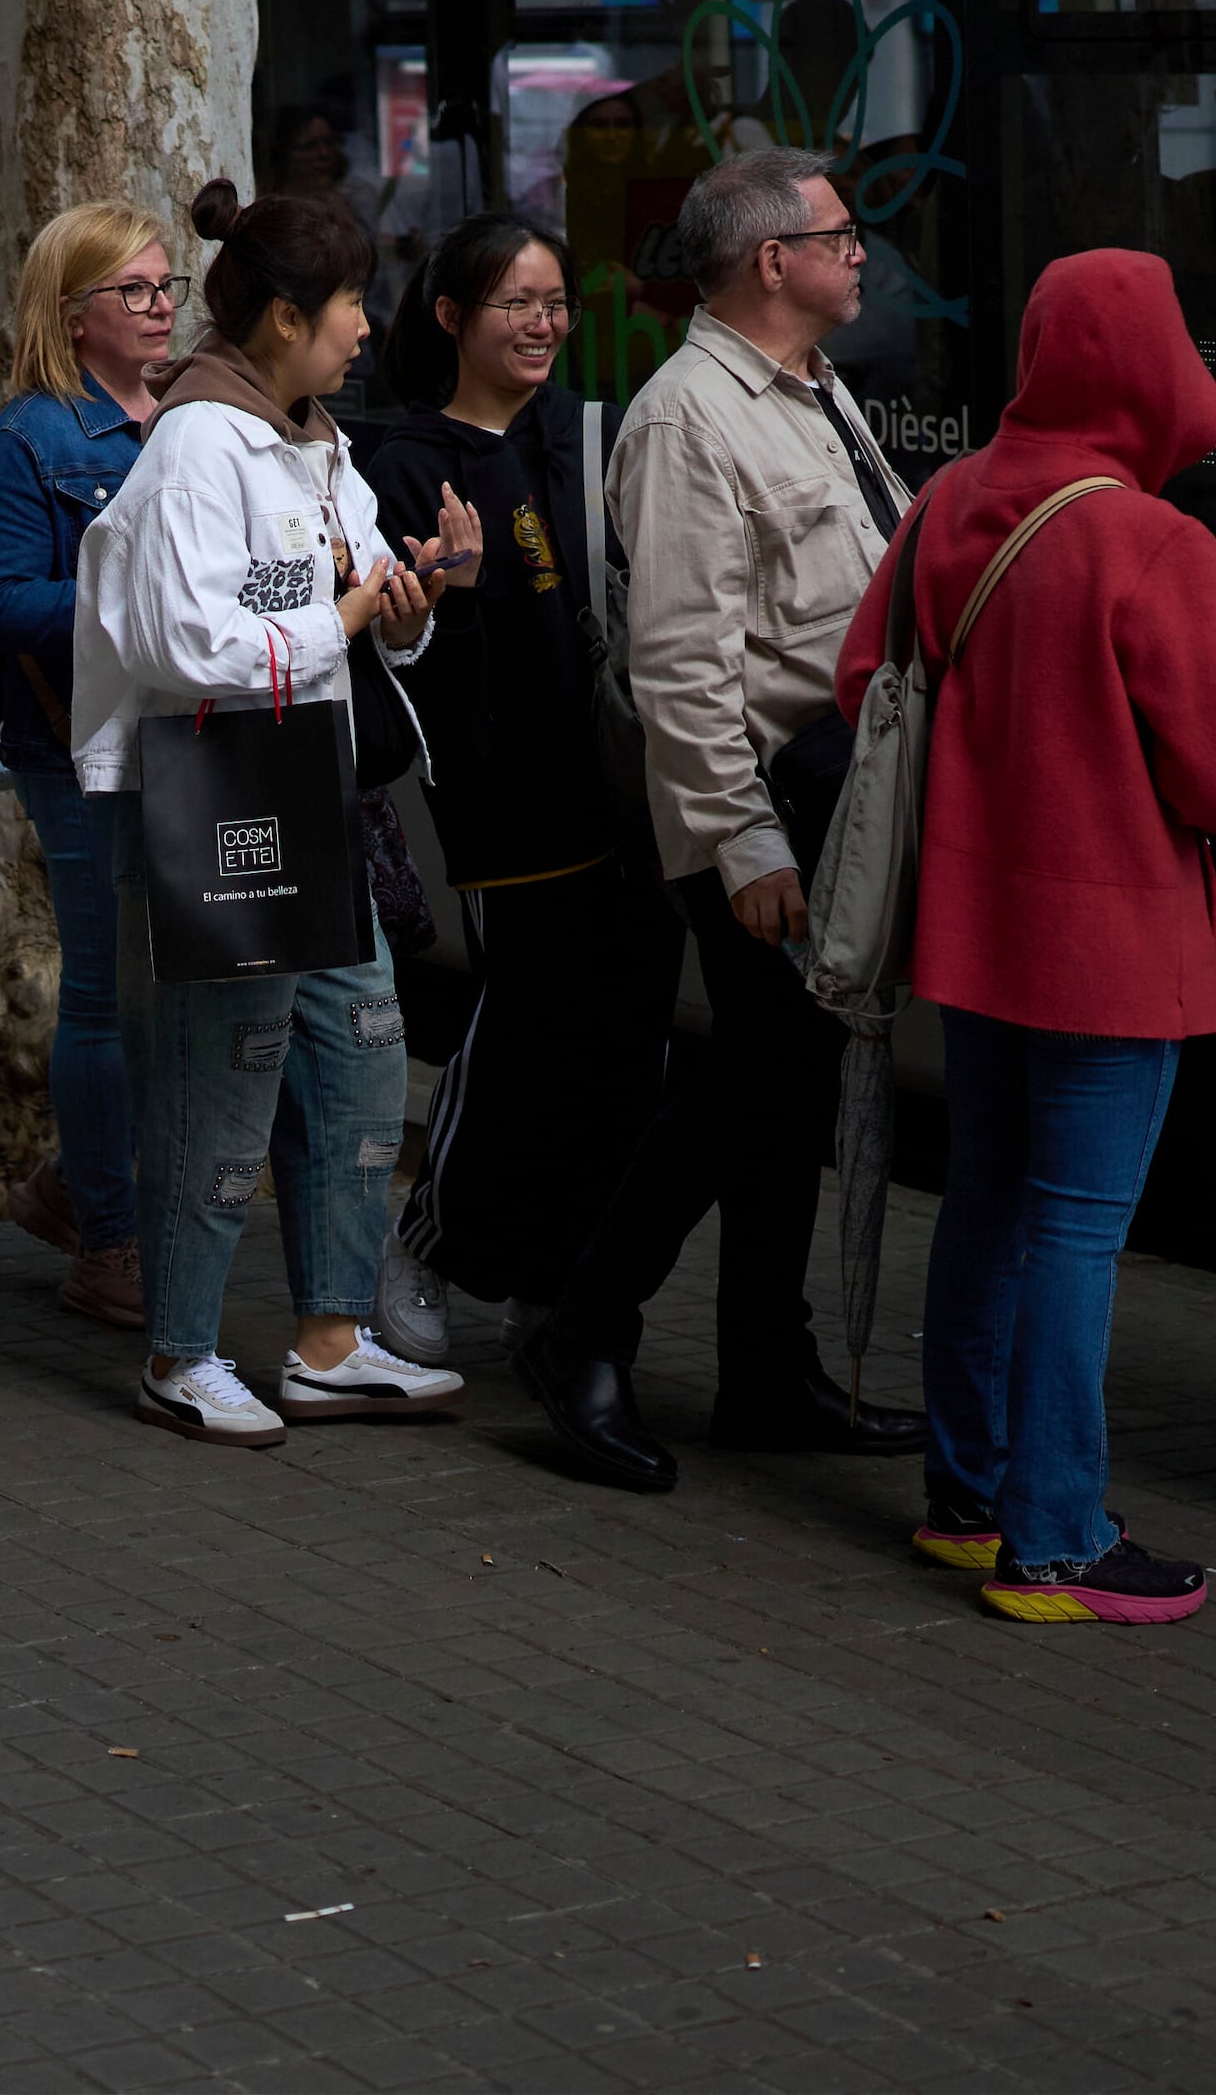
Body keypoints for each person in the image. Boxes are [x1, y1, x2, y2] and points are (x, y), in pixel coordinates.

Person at [850, 247, 1216, 1624]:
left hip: (972, 939)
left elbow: (866, 680)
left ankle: (967, 1498)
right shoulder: (1155, 542)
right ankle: (1057, 1539)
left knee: (983, 1206)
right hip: (1112, 952)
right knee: (1078, 1239)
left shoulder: (948, 501)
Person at [534, 148, 915, 1494]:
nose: (859, 251)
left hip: (827, 792)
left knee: (785, 1086)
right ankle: (580, 1330)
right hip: (762, 802)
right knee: (746, 1079)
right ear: (772, 260)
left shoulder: (810, 388)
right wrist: (742, 843)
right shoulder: (691, 414)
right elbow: (682, 659)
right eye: (839, 232)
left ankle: (765, 1363)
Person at [73, 182, 476, 1447]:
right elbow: (191, 643)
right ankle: (178, 1355)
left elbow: (353, 596)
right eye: (351, 302)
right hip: (212, 810)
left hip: (305, 799)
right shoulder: (198, 445)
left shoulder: (312, 433)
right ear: (287, 315)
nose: (367, 326)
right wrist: (349, 621)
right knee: (221, 1091)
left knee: (360, 1060)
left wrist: (411, 597)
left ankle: (330, 1341)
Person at [362, 211, 680, 1357]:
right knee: (524, 1036)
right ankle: (431, 1247)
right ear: (451, 317)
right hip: (506, 793)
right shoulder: (405, 465)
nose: (542, 325)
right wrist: (459, 590)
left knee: (621, 1050)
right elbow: (403, 665)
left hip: (622, 786)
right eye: (516, 305)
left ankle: (556, 1276)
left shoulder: (581, 438)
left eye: (554, 304)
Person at [0, 200, 184, 1330]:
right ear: (70, 313)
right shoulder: (27, 440)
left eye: (164, 287)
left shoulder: (195, 414)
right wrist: (144, 598)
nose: (157, 308)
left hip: (196, 742)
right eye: (132, 292)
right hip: (79, 753)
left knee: (168, 994)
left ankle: (71, 1187)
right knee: (102, 997)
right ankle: (106, 1240)